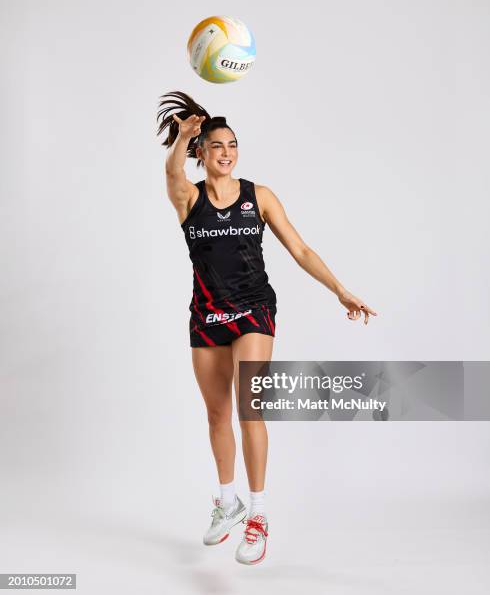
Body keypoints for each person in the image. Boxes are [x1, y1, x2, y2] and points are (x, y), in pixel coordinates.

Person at [157, 91, 378, 565]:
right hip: (206, 315)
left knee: (249, 408)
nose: (226, 153)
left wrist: (340, 289)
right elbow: (172, 173)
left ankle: (258, 515)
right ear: (201, 153)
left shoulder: (260, 197)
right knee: (217, 416)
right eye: (216, 145)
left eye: (232, 144)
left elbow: (299, 249)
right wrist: (182, 136)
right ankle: (227, 500)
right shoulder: (188, 198)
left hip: (255, 309)